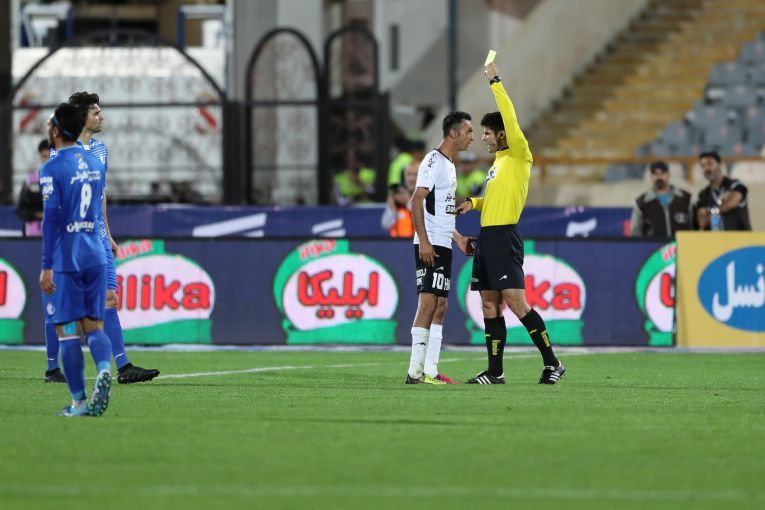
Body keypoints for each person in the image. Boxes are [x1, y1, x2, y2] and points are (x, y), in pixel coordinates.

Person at [455, 62, 565, 385]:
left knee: (518, 304)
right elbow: (495, 200)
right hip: (487, 238)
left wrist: (495, 82)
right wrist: (473, 203)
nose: (483, 138)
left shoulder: (518, 154)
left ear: (502, 133)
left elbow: (510, 116)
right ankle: (495, 372)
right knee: (489, 306)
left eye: (487, 133)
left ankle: (553, 363)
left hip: (504, 238)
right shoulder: (499, 163)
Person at [43, 92, 159, 384]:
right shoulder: (60, 154)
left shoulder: (100, 151)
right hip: (70, 240)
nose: (101, 116)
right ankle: (52, 368)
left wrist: (107, 233)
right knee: (61, 307)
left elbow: (100, 194)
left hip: (97, 237)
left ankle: (123, 367)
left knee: (110, 298)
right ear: (82, 118)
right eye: (96, 112)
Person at [39, 103, 113, 416]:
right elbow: (96, 209)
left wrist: (46, 265)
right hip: (95, 253)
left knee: (67, 330)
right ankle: (105, 369)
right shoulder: (95, 163)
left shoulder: (52, 168)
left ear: (57, 130)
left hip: (67, 258)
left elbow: (50, 220)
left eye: (50, 125)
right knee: (94, 327)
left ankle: (79, 402)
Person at [406, 111, 476, 385]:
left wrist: (457, 238)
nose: (472, 136)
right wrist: (424, 241)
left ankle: (431, 370)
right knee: (428, 303)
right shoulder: (433, 160)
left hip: (443, 241)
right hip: (431, 243)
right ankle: (415, 372)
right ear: (453, 133)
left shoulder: (449, 164)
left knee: (441, 305)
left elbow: (441, 210)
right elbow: (416, 200)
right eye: (469, 131)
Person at [630, 161, 693, 238]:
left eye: (662, 173)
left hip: (682, 244)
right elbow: (635, 232)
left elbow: (693, 227)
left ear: (669, 174)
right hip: (654, 245)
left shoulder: (685, 198)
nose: (659, 177)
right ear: (651, 176)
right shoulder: (642, 203)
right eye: (655, 174)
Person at [695, 151, 751, 231]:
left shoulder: (735, 185)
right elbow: (702, 222)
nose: (706, 168)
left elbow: (731, 203)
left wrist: (710, 211)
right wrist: (720, 206)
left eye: (710, 164)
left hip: (740, 237)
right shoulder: (703, 194)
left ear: (720, 164)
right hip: (716, 238)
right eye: (703, 166)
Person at [15, 139, 50, 236]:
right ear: (40, 157)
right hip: (33, 235)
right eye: (44, 156)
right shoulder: (30, 181)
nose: (47, 160)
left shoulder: (63, 180)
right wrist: (37, 214)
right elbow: (20, 209)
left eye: (50, 156)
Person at [381, 160, 419, 237]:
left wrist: (407, 202)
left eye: (415, 175)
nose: (411, 178)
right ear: (404, 176)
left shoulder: (427, 196)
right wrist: (392, 207)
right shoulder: (397, 196)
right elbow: (385, 225)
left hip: (419, 243)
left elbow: (425, 222)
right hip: (399, 242)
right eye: (409, 174)